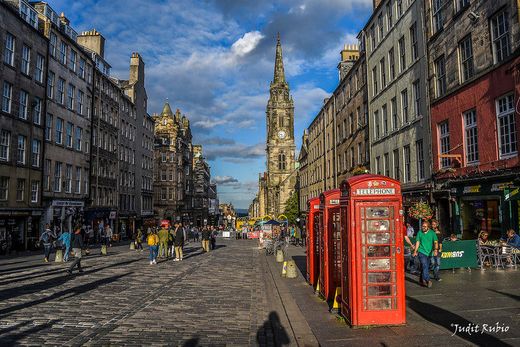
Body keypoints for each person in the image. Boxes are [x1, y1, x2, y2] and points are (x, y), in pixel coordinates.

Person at [413, 221, 438, 288]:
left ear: (428, 227)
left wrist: (435, 249)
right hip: (421, 251)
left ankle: (422, 278)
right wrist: (415, 251)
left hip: (429, 253)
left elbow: (435, 242)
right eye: (422, 226)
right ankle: (428, 280)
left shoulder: (432, 233)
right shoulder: (419, 232)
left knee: (428, 265)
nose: (423, 228)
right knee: (424, 265)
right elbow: (418, 242)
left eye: (425, 226)